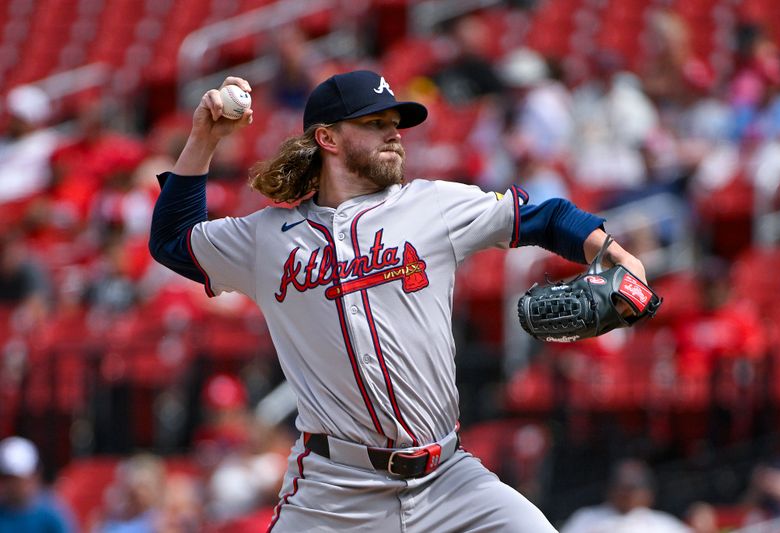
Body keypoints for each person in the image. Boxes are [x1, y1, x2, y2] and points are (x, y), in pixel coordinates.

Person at [149, 70, 648, 531]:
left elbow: (543, 216)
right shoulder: (266, 239)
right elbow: (173, 240)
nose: (394, 133)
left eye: (396, 123)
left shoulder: (433, 206)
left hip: (448, 480)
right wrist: (205, 139)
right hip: (332, 492)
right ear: (328, 138)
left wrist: (618, 255)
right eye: (375, 123)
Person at [560, 458, 690, 533]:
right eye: (622, 487)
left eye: (633, 488)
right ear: (610, 489)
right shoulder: (586, 518)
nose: (626, 494)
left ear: (648, 493)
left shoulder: (664, 525)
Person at [0, 436, 73, 533]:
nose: (14, 485)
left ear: (35, 475)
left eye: (18, 478)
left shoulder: (52, 513)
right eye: (8, 478)